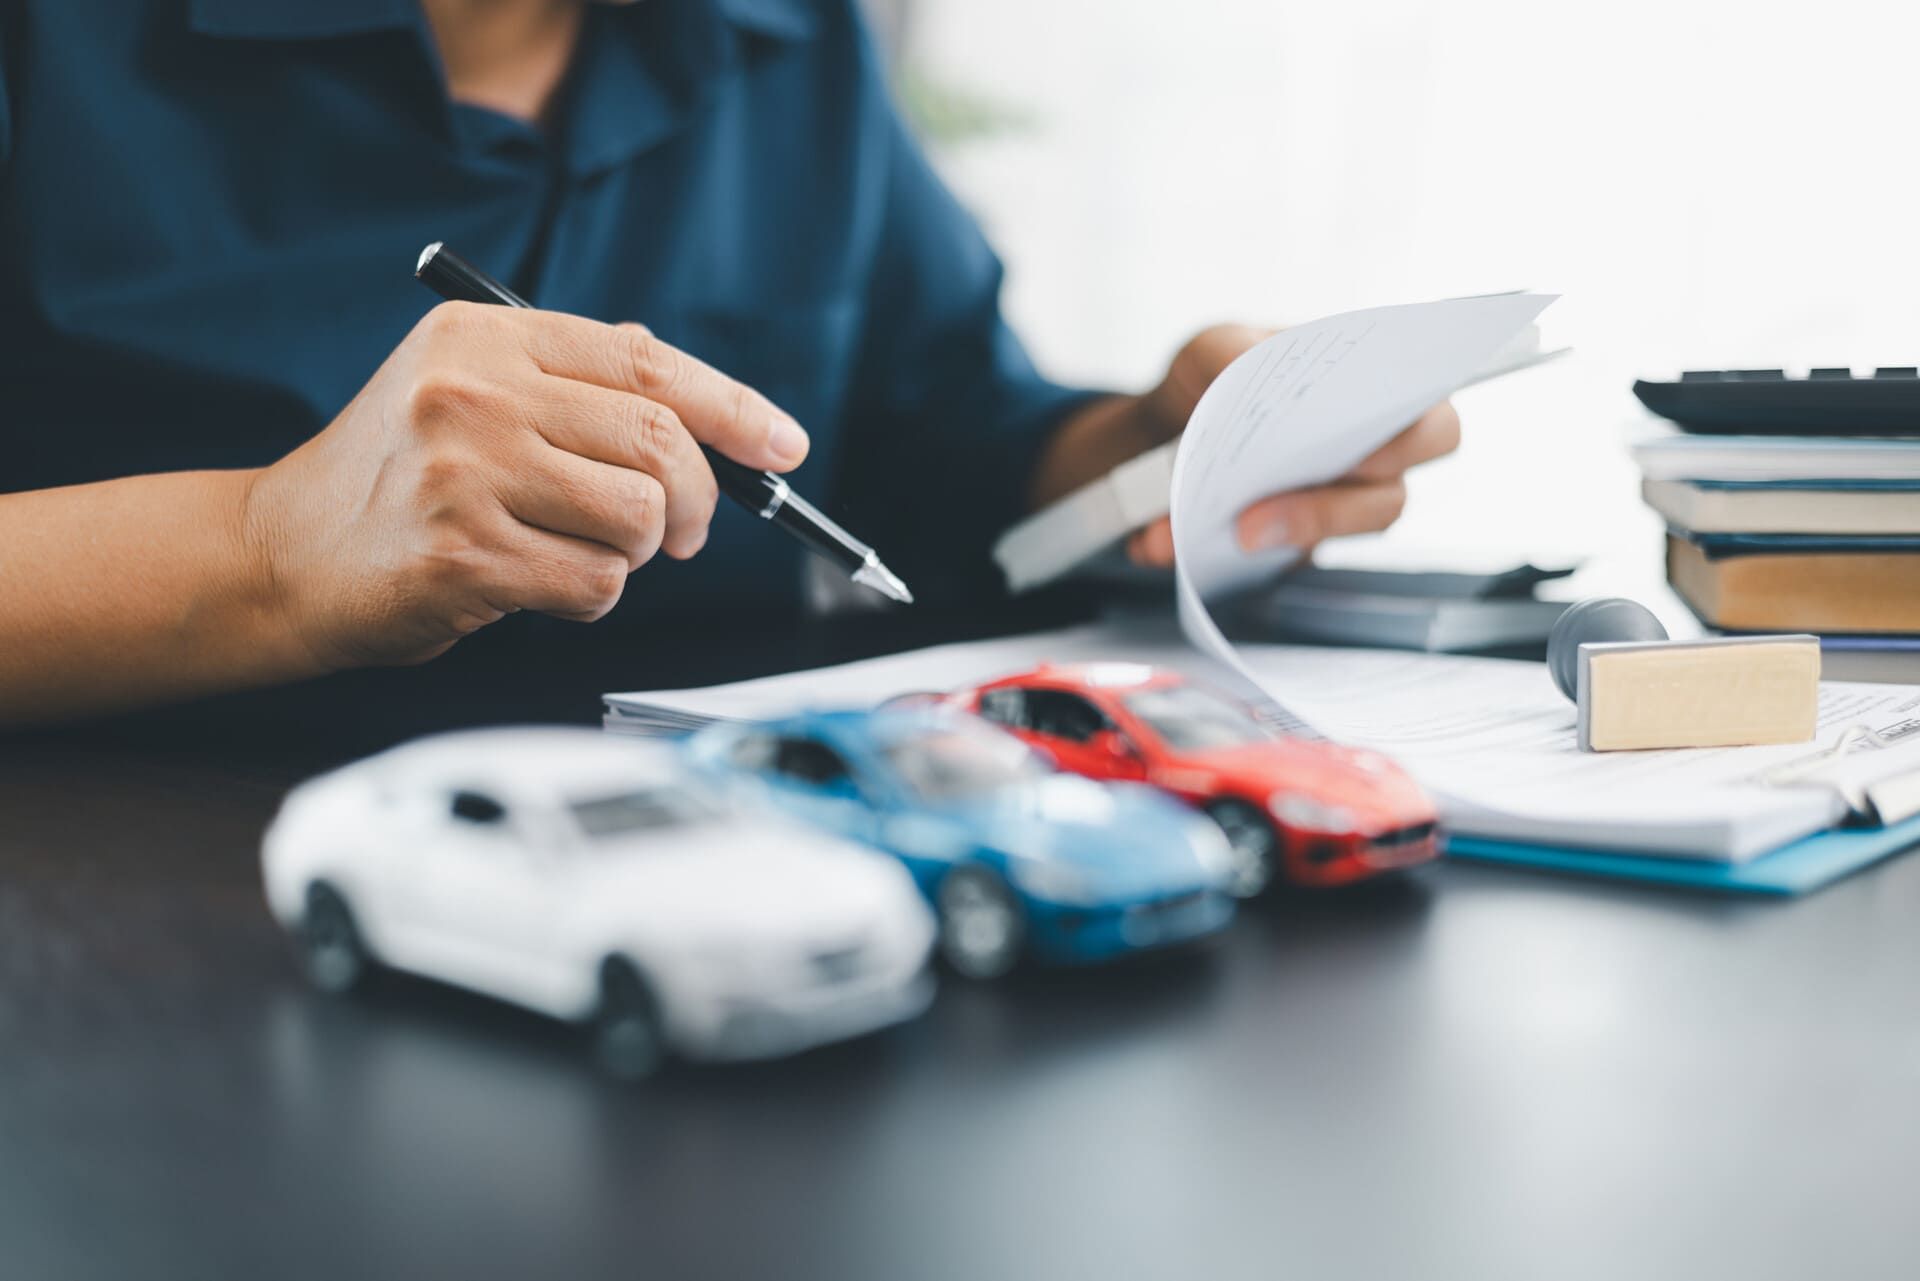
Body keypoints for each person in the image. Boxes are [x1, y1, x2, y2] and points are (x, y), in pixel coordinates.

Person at [0, 0, 1458, 725]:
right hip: (144, 922)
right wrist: (270, 543)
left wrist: (1154, 446)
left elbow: (941, 423)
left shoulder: (787, 36)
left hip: (718, 884)